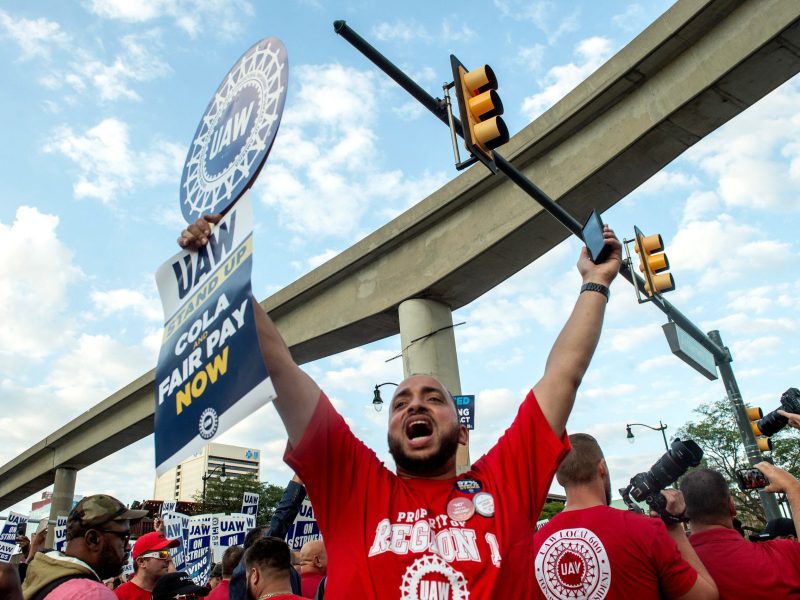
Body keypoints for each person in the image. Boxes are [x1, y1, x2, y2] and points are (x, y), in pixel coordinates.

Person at [180, 217, 622, 597]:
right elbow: (277, 364)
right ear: (390, 434)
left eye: (434, 398)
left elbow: (563, 375)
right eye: (401, 403)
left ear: (462, 429)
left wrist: (594, 282)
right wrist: (222, 270)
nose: (416, 406)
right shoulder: (352, 486)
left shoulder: (505, 483)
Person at [533, 433, 718, 599]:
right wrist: (673, 525)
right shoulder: (644, 530)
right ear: (602, 468)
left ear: (558, 478)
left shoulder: (533, 547)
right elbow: (705, 596)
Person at [681, 463, 800, 598]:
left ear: (684, 513)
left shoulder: (674, 572)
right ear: (732, 506)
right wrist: (793, 488)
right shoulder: (786, 555)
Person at [21, 494, 147, 600]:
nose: (128, 547)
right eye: (124, 537)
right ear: (92, 539)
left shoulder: (43, 575)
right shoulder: (95, 595)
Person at [228, 476, 306, 600]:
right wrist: (296, 482)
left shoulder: (289, 571)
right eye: (268, 540)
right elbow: (279, 524)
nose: (275, 543)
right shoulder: (243, 573)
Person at [113, 531, 179, 600]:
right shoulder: (118, 596)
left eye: (169, 554)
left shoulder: (174, 593)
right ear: (141, 562)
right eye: (163, 554)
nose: (169, 559)